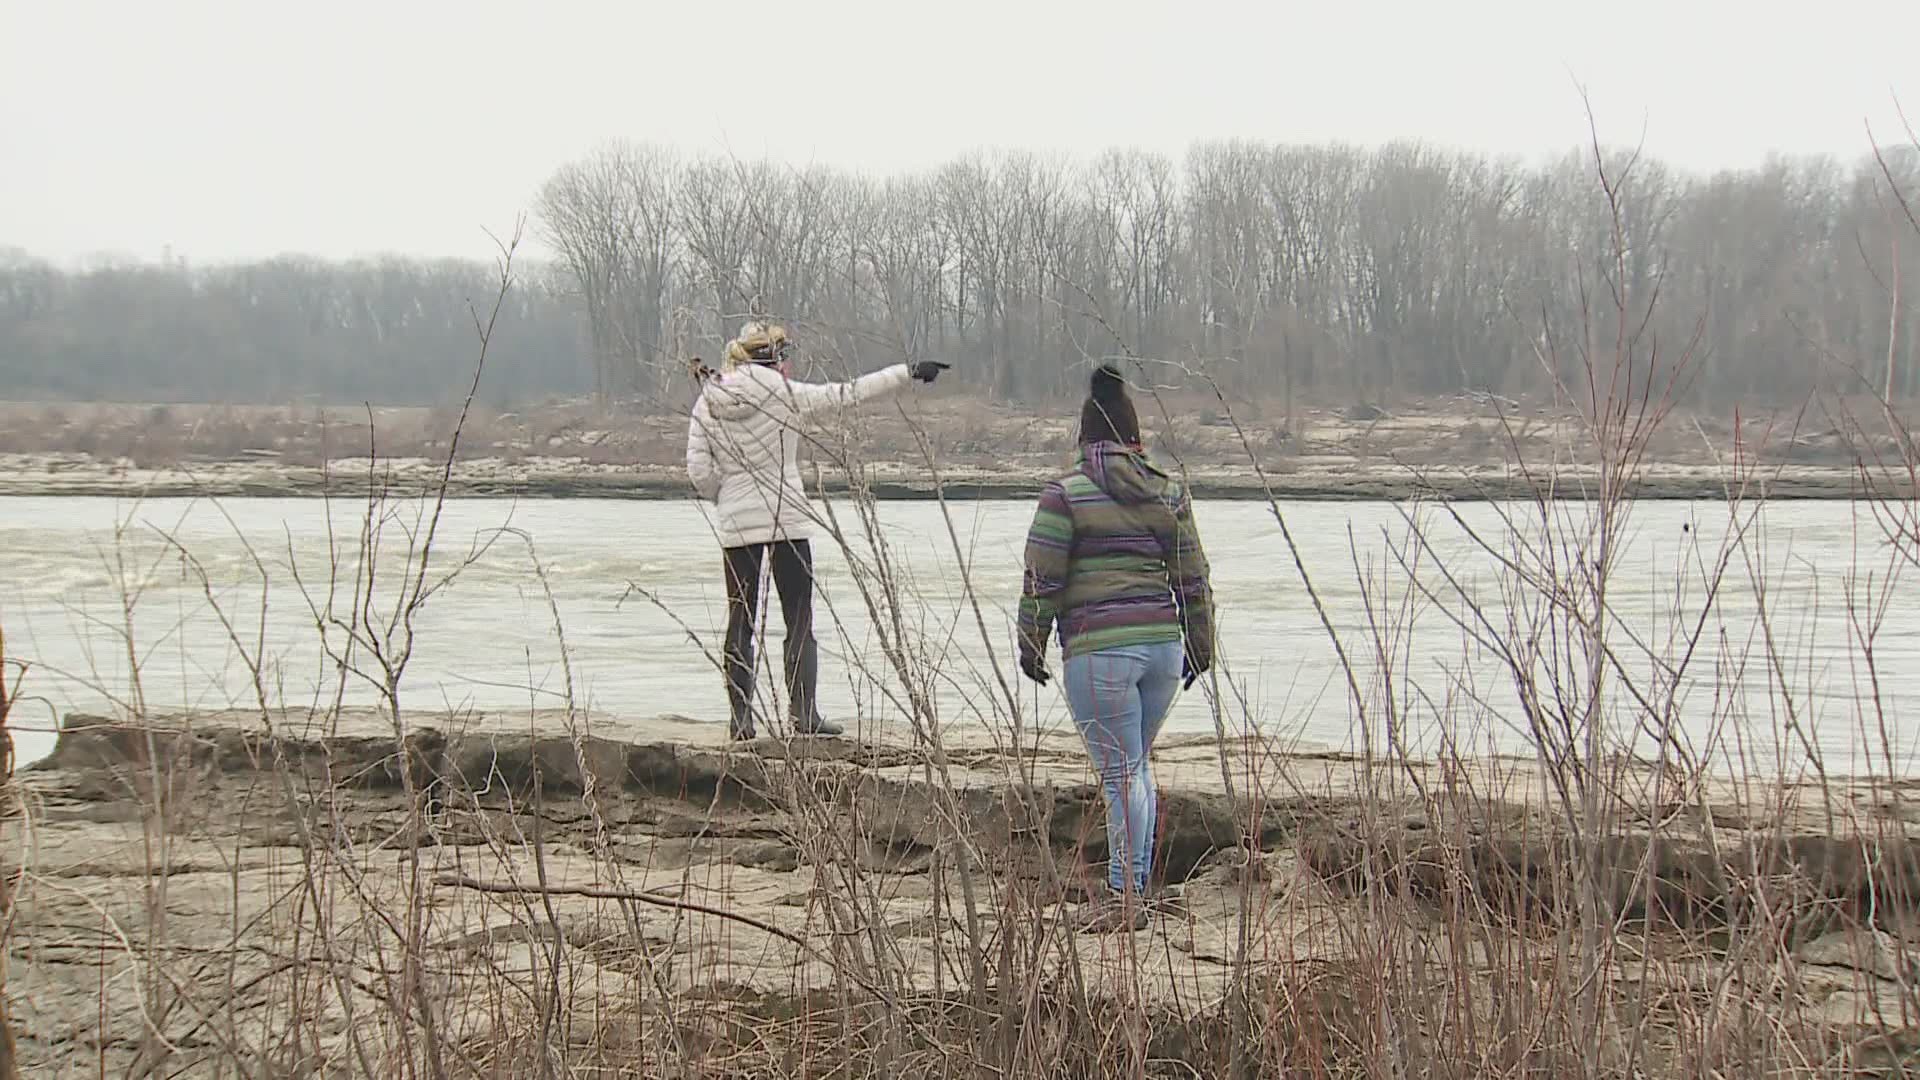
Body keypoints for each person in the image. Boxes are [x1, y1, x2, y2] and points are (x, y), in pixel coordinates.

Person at [1016, 364, 1215, 932]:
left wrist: (1030, 642)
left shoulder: (1066, 495)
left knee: (1121, 775)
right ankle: (1137, 888)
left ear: (1082, 438)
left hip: (1100, 652)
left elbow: (1042, 578)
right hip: (1162, 654)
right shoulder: (1168, 491)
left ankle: (1124, 897)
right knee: (1135, 769)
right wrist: (1201, 645)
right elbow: (1193, 577)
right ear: (1136, 436)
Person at [686, 321, 949, 740]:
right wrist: (908, 371)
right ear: (774, 357)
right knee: (799, 617)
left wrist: (728, 496)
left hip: (737, 525)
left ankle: (741, 721)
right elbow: (849, 393)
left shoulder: (708, 401)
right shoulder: (785, 394)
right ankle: (804, 715)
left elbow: (699, 470)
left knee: (741, 620)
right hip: (788, 518)